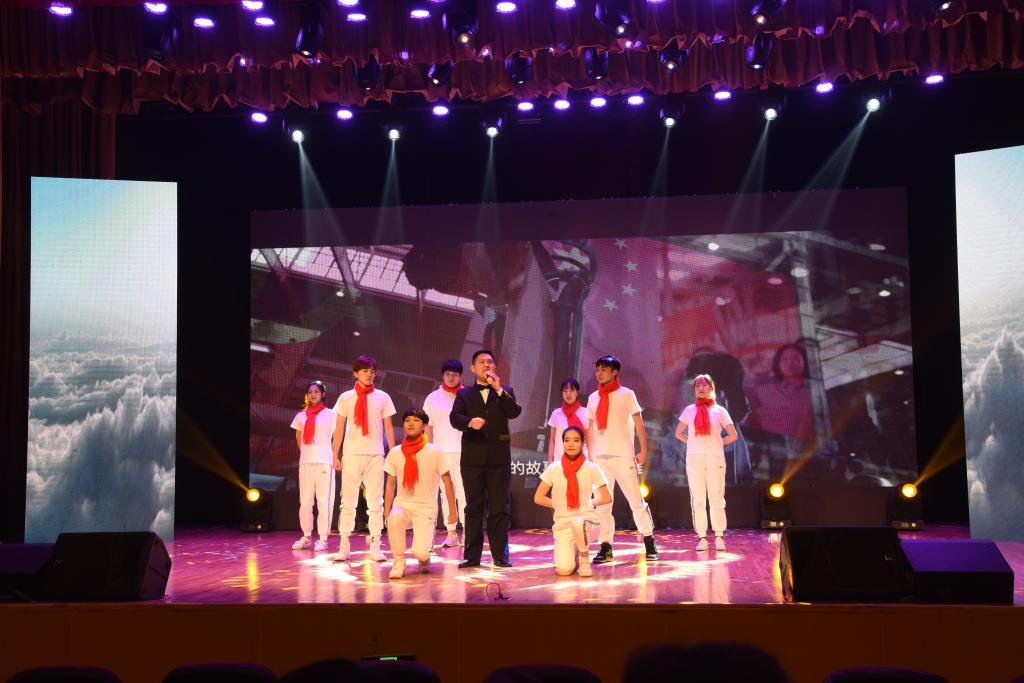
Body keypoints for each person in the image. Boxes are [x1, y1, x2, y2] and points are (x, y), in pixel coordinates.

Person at [449, 349, 522, 568]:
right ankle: (472, 557)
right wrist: (470, 422)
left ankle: (500, 556)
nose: (486, 365)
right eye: (482, 362)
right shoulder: (464, 394)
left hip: (499, 459)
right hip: (472, 459)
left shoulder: (505, 391)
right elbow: (454, 418)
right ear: (473, 368)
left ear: (495, 367)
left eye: (490, 362)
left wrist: (499, 390)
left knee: (499, 507)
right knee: (473, 508)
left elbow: (514, 412)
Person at [585, 355, 659, 563]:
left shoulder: (626, 394)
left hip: (623, 455)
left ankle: (649, 540)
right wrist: (590, 454)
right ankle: (606, 546)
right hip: (600, 457)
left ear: (615, 372)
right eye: (597, 369)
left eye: (604, 369)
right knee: (603, 504)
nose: (599, 373)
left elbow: (639, 423)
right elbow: (588, 427)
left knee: (636, 500)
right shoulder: (593, 398)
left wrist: (643, 449)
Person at [332, 355, 396, 563]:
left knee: (376, 502)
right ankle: (344, 545)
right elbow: (339, 429)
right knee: (348, 502)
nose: (369, 374)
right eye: (365, 371)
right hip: (351, 454)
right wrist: (335, 454)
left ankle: (376, 545)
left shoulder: (383, 397)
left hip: (375, 454)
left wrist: (393, 453)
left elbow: (388, 427)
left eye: (372, 371)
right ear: (355, 373)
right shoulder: (345, 398)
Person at [383, 409, 459, 579]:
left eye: (416, 420)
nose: (411, 423)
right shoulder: (395, 452)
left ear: (424, 426)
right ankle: (398, 561)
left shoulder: (435, 451)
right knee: (394, 518)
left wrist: (452, 512)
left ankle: (424, 556)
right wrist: (387, 510)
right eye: (407, 420)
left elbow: (448, 482)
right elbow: (390, 483)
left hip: (426, 507)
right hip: (402, 504)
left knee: (421, 553)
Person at [534, 426, 611, 577]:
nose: (571, 444)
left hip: (588, 522)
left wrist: (589, 503)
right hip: (563, 524)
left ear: (583, 443)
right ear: (562, 443)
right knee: (563, 570)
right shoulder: (554, 468)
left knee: (578, 522)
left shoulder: (591, 468)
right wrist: (558, 504)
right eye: (567, 440)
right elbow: (538, 497)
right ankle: (574, 553)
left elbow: (607, 497)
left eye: (576, 440)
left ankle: (584, 558)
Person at [675, 374, 738, 551]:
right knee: (698, 500)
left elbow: (733, 435)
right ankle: (702, 537)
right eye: (697, 386)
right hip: (694, 458)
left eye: (704, 385)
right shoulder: (689, 410)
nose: (701, 388)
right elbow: (678, 433)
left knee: (716, 498)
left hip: (715, 458)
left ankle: (719, 536)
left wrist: (717, 443)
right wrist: (692, 442)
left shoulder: (720, 411)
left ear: (711, 388)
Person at [422, 359, 467, 548]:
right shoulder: (432, 398)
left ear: (461, 376)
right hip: (441, 454)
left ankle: (467, 533)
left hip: (465, 453)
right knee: (446, 495)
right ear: (442, 375)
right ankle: (451, 533)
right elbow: (428, 428)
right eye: (448, 374)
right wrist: (430, 452)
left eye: (455, 374)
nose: (451, 378)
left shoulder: (467, 395)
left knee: (464, 494)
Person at [289, 380, 336, 552]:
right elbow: (298, 436)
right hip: (306, 463)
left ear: (323, 394)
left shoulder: (331, 414)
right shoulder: (301, 415)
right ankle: (307, 536)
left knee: (324, 501)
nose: (313, 394)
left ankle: (323, 538)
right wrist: (306, 453)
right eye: (310, 392)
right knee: (305, 501)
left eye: (316, 391)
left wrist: (335, 456)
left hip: (324, 462)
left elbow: (337, 437)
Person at [546, 378, 588, 464]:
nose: (568, 394)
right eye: (565, 391)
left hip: (581, 459)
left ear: (578, 392)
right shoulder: (556, 413)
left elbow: (588, 439)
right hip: (560, 459)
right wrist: (550, 460)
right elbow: (552, 440)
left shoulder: (586, 413)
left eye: (571, 390)